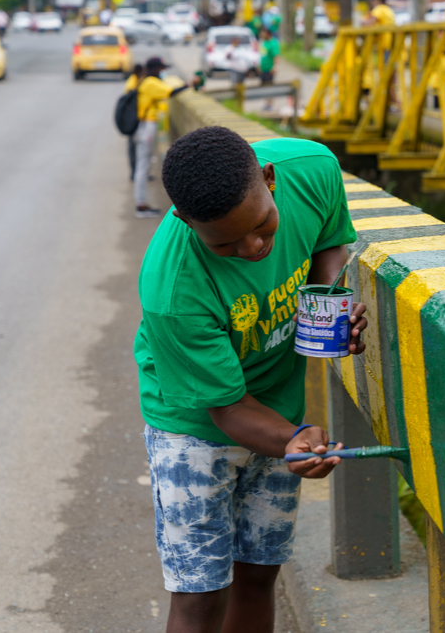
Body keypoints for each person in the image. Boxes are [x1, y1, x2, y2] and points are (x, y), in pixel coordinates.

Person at [135, 125, 367, 633]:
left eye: (263, 224)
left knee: (258, 576)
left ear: (269, 179)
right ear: (186, 222)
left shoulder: (313, 170)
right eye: (227, 244)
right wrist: (295, 440)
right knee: (200, 597)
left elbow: (330, 240)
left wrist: (325, 310)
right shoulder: (172, 288)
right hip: (192, 427)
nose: (254, 247)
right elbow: (227, 408)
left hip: (279, 409)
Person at [133, 57, 189, 217]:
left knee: (142, 165)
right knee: (143, 166)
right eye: (161, 68)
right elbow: (171, 91)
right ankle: (141, 206)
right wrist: (188, 85)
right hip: (147, 127)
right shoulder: (150, 82)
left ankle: (141, 203)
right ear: (155, 68)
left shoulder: (145, 81)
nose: (163, 71)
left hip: (145, 126)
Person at [123, 63, 145, 182]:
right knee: (133, 147)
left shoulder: (133, 81)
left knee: (134, 147)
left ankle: (136, 172)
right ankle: (134, 172)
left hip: (133, 118)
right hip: (133, 119)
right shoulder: (133, 83)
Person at [258, 27, 279, 111]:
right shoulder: (264, 43)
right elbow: (262, 55)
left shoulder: (273, 43)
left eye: (263, 33)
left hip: (269, 69)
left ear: (267, 34)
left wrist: (275, 67)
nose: (262, 35)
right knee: (264, 86)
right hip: (263, 69)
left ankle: (270, 104)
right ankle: (266, 103)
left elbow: (276, 56)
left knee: (269, 86)